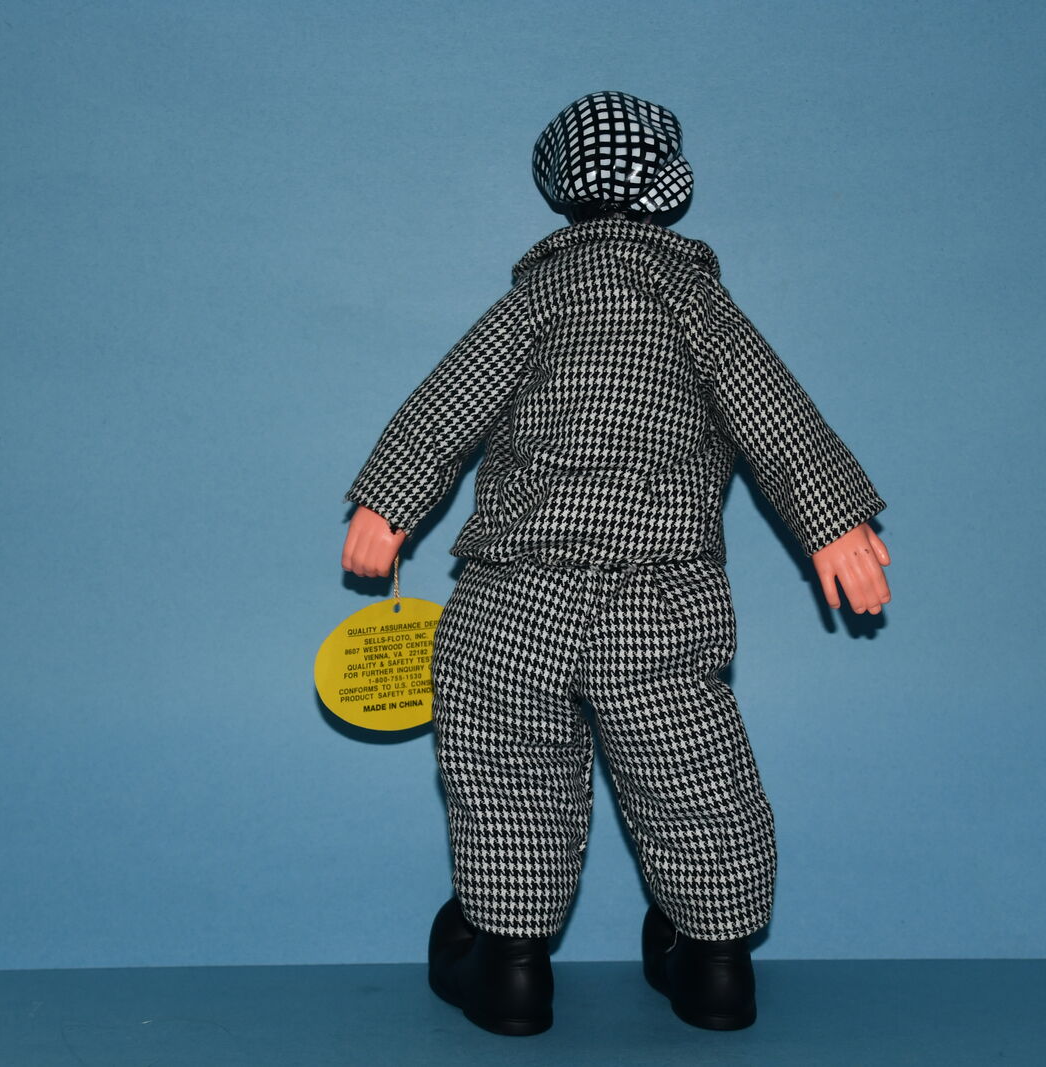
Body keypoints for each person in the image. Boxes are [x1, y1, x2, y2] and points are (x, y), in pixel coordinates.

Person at [339, 90, 891, 1035]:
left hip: (517, 589)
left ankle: (510, 966)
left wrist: (387, 503)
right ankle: (715, 964)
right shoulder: (701, 303)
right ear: (670, 185)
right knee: (692, 770)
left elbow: (446, 400)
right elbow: (776, 415)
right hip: (661, 593)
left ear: (561, 191)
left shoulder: (536, 297)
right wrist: (834, 522)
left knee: (508, 768)